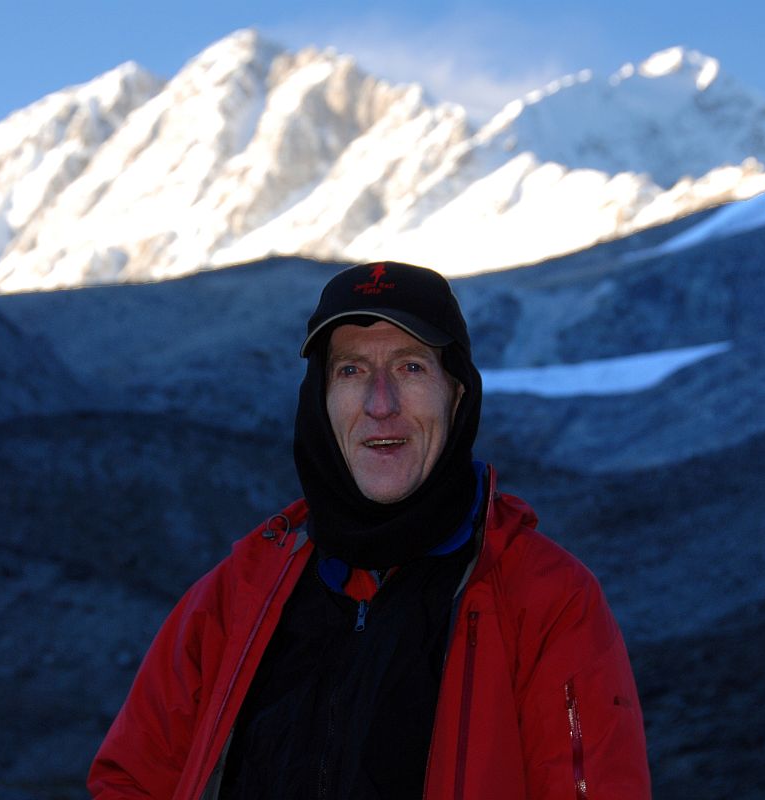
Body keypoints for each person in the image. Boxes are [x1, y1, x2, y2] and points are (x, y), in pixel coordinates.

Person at [87, 261, 651, 799]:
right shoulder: (238, 596)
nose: (381, 404)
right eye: (352, 370)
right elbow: (131, 779)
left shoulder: (547, 600)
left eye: (411, 367)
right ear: (320, 400)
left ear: (457, 394)